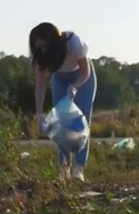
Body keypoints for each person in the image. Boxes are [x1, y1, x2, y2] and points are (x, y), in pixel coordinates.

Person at [30, 22, 97, 181]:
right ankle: (64, 168)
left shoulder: (73, 42)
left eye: (44, 44)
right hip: (60, 78)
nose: (42, 49)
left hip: (83, 77)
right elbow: (40, 85)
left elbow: (85, 70)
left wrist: (75, 86)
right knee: (61, 122)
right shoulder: (41, 54)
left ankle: (79, 169)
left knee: (82, 121)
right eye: (38, 45)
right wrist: (39, 115)